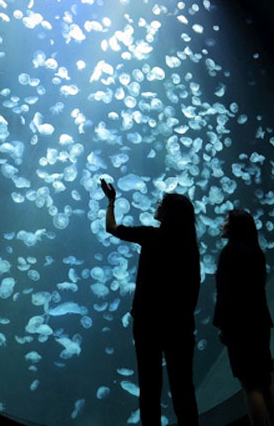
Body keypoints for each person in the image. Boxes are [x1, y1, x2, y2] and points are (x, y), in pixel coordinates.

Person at [100, 178, 200, 426]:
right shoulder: (189, 245)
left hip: (148, 325)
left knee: (149, 388)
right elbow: (193, 286)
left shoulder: (151, 236)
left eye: (161, 204)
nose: (156, 205)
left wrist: (111, 202)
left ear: (167, 213)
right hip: (180, 326)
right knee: (183, 389)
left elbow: (111, 228)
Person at [214, 210, 274, 426]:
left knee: (250, 385)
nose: (222, 224)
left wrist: (223, 326)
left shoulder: (229, 253)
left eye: (226, 220)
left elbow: (227, 293)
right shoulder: (256, 252)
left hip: (239, 326)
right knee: (265, 380)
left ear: (234, 226)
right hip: (260, 322)